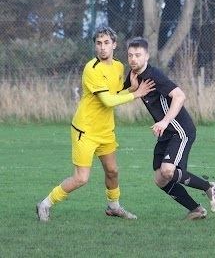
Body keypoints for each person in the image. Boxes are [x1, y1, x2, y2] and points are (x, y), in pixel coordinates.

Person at [36, 26, 156, 222]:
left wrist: (131, 90)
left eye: (106, 43)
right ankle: (45, 204)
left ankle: (113, 206)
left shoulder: (118, 66)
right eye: (98, 43)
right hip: (85, 131)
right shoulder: (91, 69)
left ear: (114, 45)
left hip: (105, 131)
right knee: (81, 178)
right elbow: (107, 101)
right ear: (95, 46)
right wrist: (136, 93)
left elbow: (115, 95)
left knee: (112, 171)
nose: (102, 47)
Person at [125, 37, 215, 220]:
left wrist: (164, 121)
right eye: (130, 55)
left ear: (147, 56)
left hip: (180, 129)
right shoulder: (132, 76)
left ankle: (210, 187)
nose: (133, 59)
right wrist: (133, 90)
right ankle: (196, 209)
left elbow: (179, 96)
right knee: (160, 179)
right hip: (166, 133)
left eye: (138, 55)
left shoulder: (155, 76)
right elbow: (116, 95)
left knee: (168, 171)